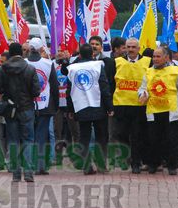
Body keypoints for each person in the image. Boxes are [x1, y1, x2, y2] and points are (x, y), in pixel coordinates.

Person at [0, 42, 41, 182]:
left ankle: (15, 173)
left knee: (13, 141)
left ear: (9, 52)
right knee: (28, 140)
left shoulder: (3, 69)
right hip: (27, 109)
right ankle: (28, 172)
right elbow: (36, 91)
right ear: (22, 52)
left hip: (10, 110)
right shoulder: (30, 69)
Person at [66, 43, 114, 174]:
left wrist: (70, 109)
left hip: (81, 106)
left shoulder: (72, 68)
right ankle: (101, 165)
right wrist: (110, 106)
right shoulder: (98, 65)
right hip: (98, 105)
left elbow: (69, 90)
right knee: (101, 136)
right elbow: (104, 87)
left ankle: (86, 166)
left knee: (84, 137)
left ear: (80, 54)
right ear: (92, 54)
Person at [144, 45, 178, 175]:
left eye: (158, 56)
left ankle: (172, 165)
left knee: (172, 140)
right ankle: (154, 164)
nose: (155, 59)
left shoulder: (176, 70)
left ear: (166, 57)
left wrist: (177, 104)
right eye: (154, 57)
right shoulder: (148, 72)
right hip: (153, 110)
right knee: (153, 139)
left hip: (171, 111)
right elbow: (142, 89)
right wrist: (143, 95)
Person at [112, 37, 151, 173]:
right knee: (121, 133)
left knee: (137, 135)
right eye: (128, 47)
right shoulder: (117, 62)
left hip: (139, 105)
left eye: (133, 47)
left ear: (139, 48)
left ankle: (136, 162)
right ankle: (128, 157)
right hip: (121, 104)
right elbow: (112, 83)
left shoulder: (147, 62)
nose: (130, 50)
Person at [25, 38, 59, 175]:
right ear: (41, 49)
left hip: (27, 105)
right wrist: (55, 105)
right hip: (45, 105)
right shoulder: (48, 63)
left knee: (28, 136)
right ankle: (40, 166)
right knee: (41, 136)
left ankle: (29, 165)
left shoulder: (24, 64)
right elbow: (54, 86)